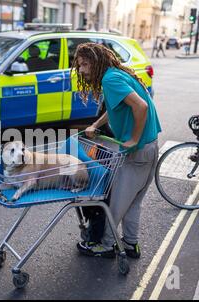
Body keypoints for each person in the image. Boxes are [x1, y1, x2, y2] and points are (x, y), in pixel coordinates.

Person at [72, 42, 161, 258]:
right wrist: (96, 125)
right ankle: (131, 244)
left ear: (96, 61)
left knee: (116, 203)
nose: (81, 70)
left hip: (138, 152)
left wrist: (133, 140)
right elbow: (117, 108)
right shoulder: (116, 73)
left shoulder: (110, 79)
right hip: (150, 148)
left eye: (85, 64)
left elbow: (141, 106)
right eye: (79, 65)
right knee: (133, 203)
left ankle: (106, 245)